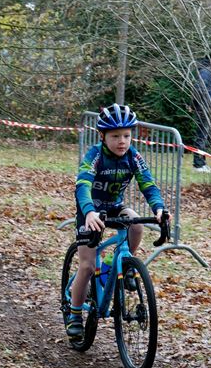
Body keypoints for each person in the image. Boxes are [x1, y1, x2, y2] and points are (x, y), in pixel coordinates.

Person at [66, 103, 169, 340]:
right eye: (115, 136)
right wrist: (90, 211)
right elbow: (82, 186)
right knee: (88, 265)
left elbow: (148, 184)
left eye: (126, 136)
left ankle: (118, 264)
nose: (122, 141)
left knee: (135, 221)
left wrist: (159, 208)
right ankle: (74, 314)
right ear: (102, 136)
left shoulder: (133, 156)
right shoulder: (95, 155)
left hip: (113, 207)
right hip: (90, 210)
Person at [189, 50, 211, 172]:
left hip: (208, 108)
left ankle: (201, 163)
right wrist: (194, 105)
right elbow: (199, 88)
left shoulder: (210, 70)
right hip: (204, 108)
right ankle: (198, 164)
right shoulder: (206, 71)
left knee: (204, 135)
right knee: (201, 136)